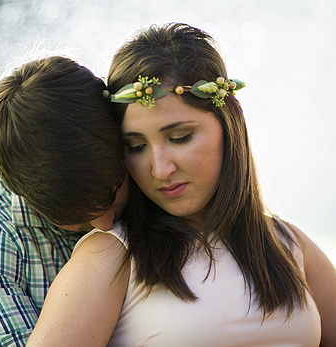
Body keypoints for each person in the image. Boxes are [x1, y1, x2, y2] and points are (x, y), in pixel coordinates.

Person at [26, 23, 336, 346]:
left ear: (229, 124)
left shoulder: (288, 244)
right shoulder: (111, 256)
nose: (160, 169)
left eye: (180, 137)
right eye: (136, 146)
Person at [0, 55, 128, 346]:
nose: (107, 225)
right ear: (20, 191)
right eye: (77, 217)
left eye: (111, 195)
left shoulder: (152, 168)